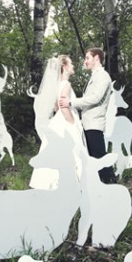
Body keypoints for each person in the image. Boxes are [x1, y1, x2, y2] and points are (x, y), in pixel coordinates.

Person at [59, 48, 116, 184]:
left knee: (99, 157)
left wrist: (71, 103)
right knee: (94, 158)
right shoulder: (95, 76)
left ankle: (111, 183)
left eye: (87, 58)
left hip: (94, 123)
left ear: (97, 58)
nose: (85, 62)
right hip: (88, 123)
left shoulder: (102, 76)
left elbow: (95, 98)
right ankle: (101, 184)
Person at [29, 55, 85, 190]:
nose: (73, 66)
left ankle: (51, 183)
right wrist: (72, 122)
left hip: (57, 121)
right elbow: (63, 107)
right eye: (71, 64)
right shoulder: (66, 85)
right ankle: (74, 182)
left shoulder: (56, 86)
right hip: (66, 121)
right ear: (64, 67)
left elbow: (55, 107)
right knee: (72, 151)